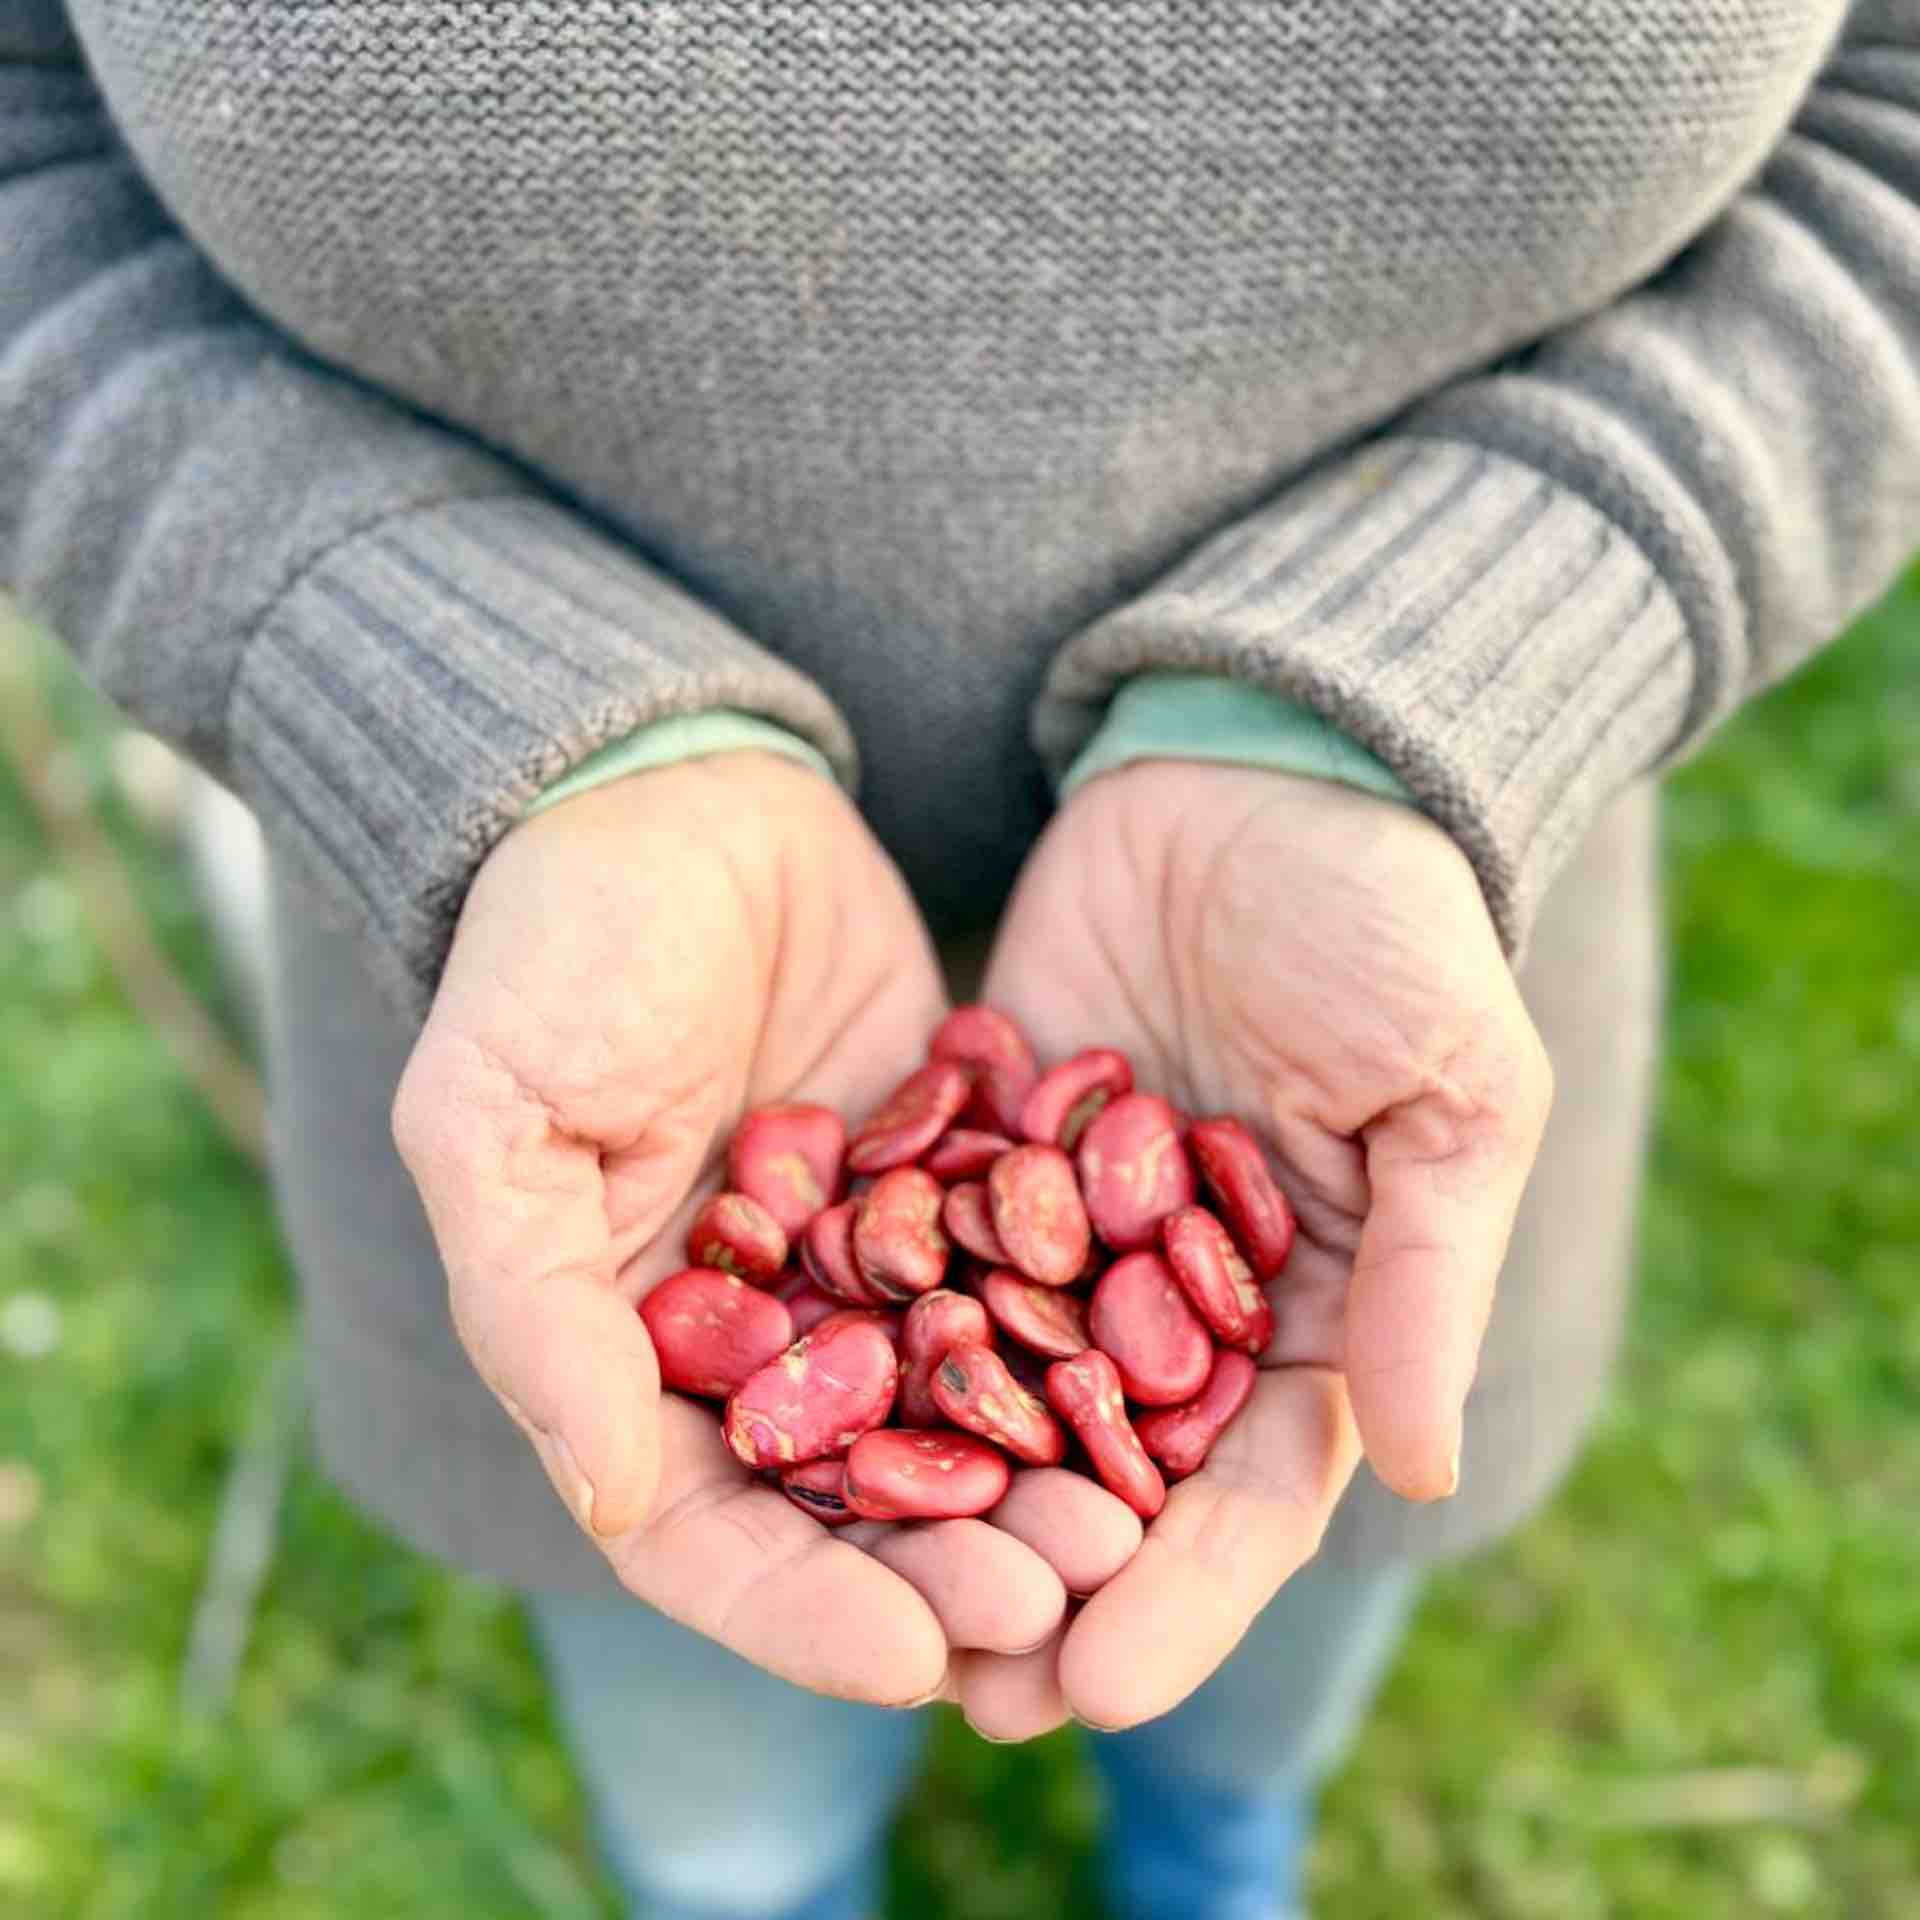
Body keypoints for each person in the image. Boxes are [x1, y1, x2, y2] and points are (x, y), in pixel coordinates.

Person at [4, 3, 1914, 1913]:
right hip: (581, 1085)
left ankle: (1216, 1856)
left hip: (1382, 987)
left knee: (1267, 1658)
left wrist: (1423, 679)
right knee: (726, 1805)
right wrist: (435, 675)